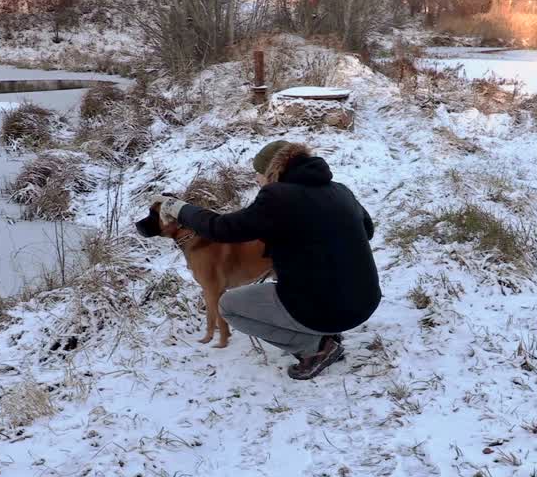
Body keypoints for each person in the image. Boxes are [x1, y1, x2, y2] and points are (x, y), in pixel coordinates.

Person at [157, 141, 380, 380]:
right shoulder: (340, 190)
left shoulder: (278, 196)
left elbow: (220, 228)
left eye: (258, 173)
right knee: (310, 290)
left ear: (273, 171)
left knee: (229, 306)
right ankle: (326, 330)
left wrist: (179, 208)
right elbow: (367, 231)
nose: (256, 180)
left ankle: (316, 348)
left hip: (327, 310)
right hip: (365, 301)